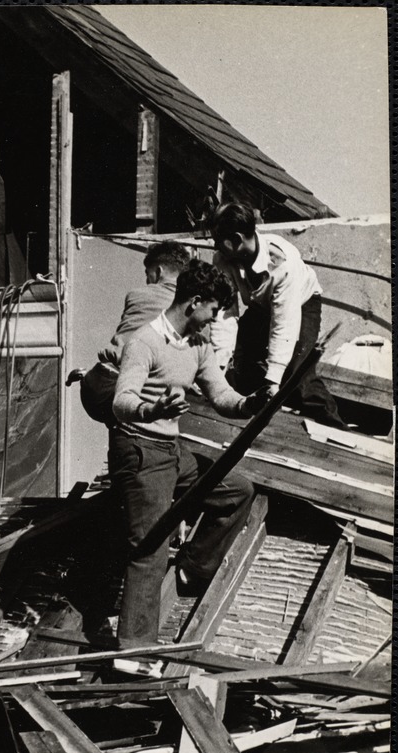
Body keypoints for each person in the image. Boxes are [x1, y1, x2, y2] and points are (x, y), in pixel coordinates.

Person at [110, 260, 271, 648]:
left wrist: (251, 403)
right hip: (139, 449)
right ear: (194, 302)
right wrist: (152, 410)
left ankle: (191, 570)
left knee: (236, 491)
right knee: (148, 548)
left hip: (172, 451)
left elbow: (220, 395)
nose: (214, 321)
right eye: (213, 311)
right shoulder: (144, 342)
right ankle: (133, 653)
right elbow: (122, 401)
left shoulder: (198, 345)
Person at [210, 202, 344, 427]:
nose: (214, 246)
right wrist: (220, 365)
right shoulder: (222, 259)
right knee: (240, 363)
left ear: (236, 239)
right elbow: (225, 313)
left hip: (301, 303)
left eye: (217, 240)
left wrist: (273, 379)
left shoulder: (283, 263)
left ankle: (336, 426)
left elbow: (284, 324)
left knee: (298, 375)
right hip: (261, 306)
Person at [69, 240, 192, 425]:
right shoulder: (190, 308)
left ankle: (85, 376)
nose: (147, 281)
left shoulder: (136, 295)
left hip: (99, 383)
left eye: (147, 274)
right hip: (124, 387)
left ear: (158, 272)